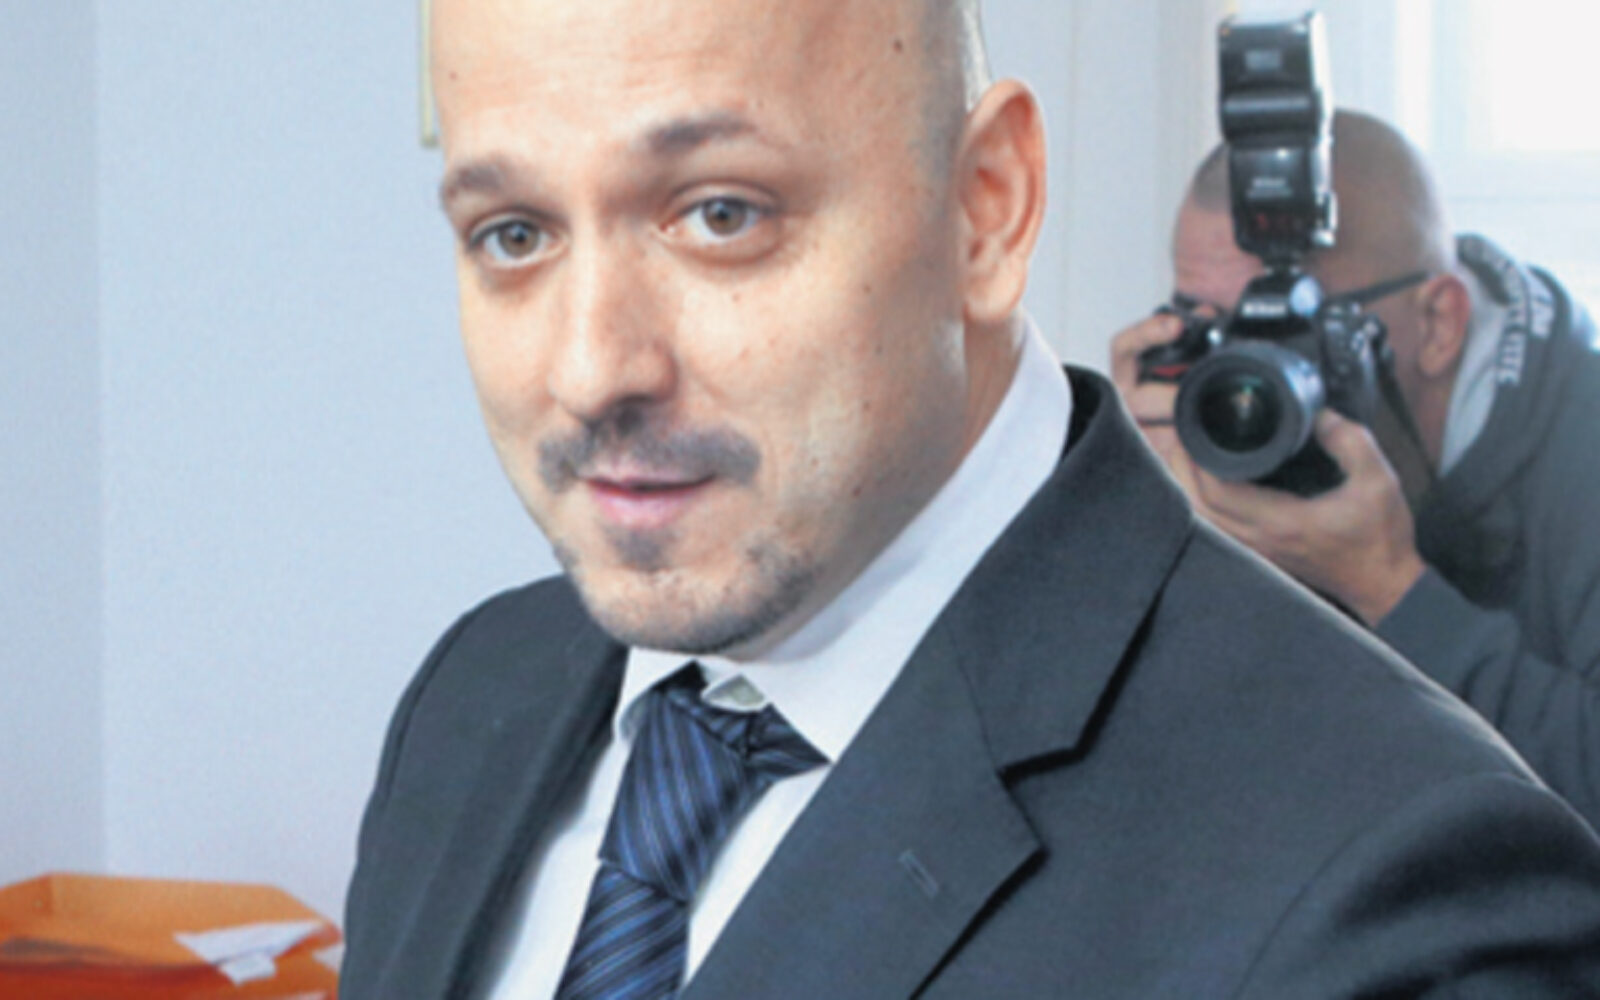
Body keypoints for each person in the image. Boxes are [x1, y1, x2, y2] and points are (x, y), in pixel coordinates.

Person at [343, 3, 1600, 997]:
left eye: (721, 214)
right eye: (512, 234)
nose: (589, 370)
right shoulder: (470, 698)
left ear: (986, 208)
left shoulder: (1394, 889)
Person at [1112, 110, 1600, 832]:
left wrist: (1390, 588)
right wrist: (1137, 509)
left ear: (1439, 324)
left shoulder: (1581, 442)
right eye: (1208, 327)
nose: (1245, 377)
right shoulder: (1211, 442)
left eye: (1285, 331)